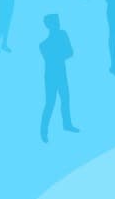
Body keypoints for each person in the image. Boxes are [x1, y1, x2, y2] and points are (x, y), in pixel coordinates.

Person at [39, 14, 79, 143]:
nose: (58, 24)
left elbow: (70, 52)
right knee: (50, 102)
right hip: (51, 75)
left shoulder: (62, 35)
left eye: (58, 21)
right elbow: (66, 53)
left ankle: (67, 124)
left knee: (65, 99)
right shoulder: (43, 45)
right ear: (49, 25)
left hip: (60, 73)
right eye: (55, 22)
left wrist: (59, 54)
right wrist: (61, 53)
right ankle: (44, 131)